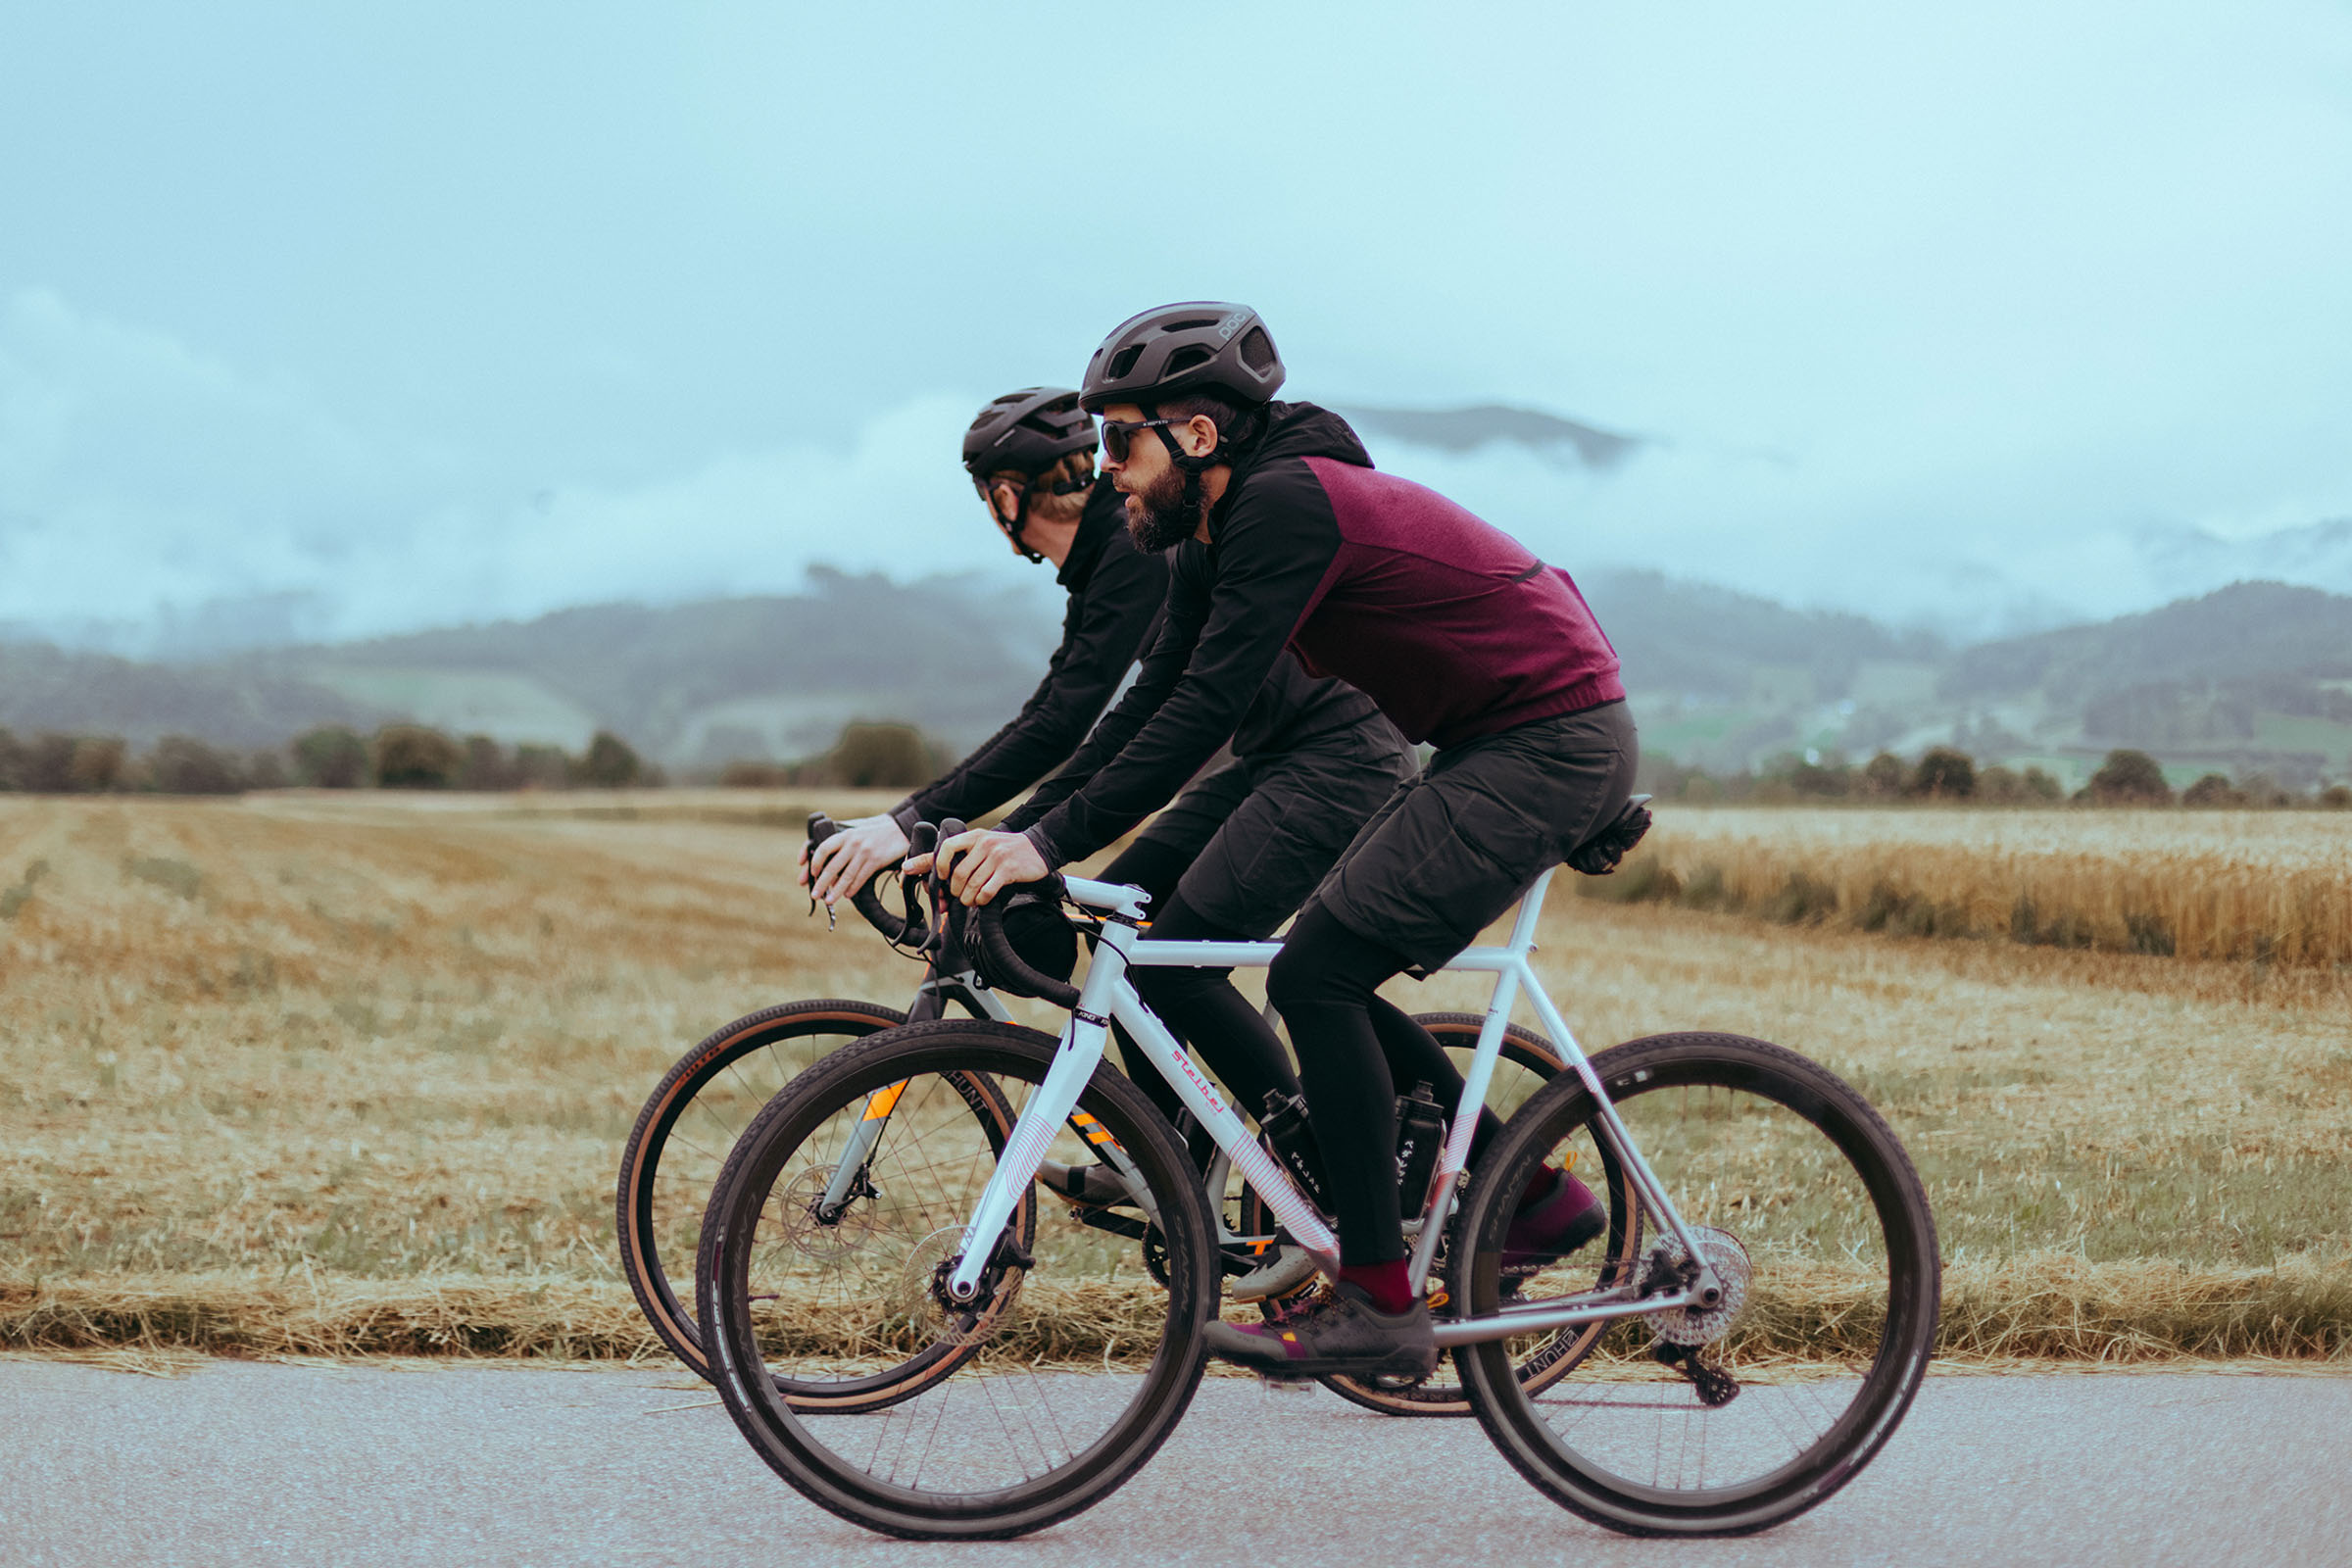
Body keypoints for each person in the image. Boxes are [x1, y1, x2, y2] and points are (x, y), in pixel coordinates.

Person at [923, 305, 1638, 1381]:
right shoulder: (1211, 531)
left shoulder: (1284, 504)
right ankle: (1526, 1192)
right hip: (1496, 739)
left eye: (1119, 440)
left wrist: (1048, 842)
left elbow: (1205, 710)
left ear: (1197, 435)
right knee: (1310, 967)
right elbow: (1149, 701)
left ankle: (1383, 1302)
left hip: (1545, 739)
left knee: (1314, 975)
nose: (1103, 468)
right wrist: (1030, 834)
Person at [805, 386, 1417, 1298]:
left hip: (1334, 758)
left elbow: (1069, 721)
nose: (1116, 472)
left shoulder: (1133, 551)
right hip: (1272, 756)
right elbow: (1107, 723)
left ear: (1002, 496)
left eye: (1123, 447)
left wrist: (949, 829)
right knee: (1124, 951)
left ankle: (1309, 1175)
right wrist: (1008, 836)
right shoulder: (1117, 553)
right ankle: (1175, 1159)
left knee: (1172, 960)